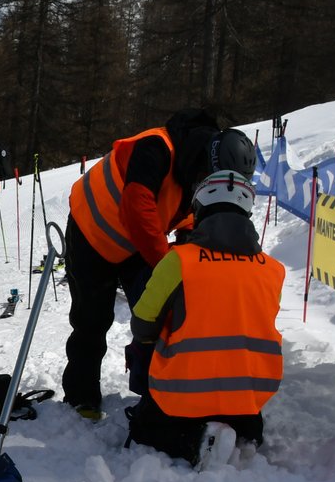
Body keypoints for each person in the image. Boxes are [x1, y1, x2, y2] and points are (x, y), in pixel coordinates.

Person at [124, 148, 285, 465]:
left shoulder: (179, 262)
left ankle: (196, 441)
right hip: (249, 400)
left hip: (181, 397)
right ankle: (241, 435)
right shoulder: (272, 269)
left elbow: (142, 323)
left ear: (199, 210)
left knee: (146, 426)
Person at [61, 108, 222, 419]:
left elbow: (187, 218)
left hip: (135, 244)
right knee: (92, 319)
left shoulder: (193, 171)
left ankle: (160, 391)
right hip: (91, 233)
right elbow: (138, 206)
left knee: (158, 314)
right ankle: (82, 396)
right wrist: (166, 266)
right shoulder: (156, 147)